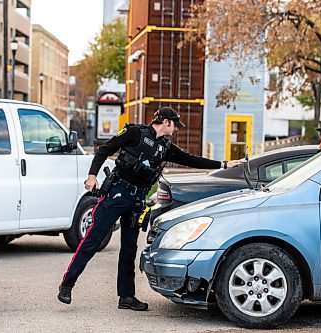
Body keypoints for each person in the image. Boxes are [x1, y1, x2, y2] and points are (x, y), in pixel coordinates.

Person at [57, 107, 243, 311]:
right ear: (165, 122)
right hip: (118, 194)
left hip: (137, 199)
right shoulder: (134, 133)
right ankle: (67, 285)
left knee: (129, 249)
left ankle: (126, 297)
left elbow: (191, 160)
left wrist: (224, 164)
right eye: (175, 125)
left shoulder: (166, 147)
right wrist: (92, 176)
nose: (176, 130)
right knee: (92, 241)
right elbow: (104, 150)